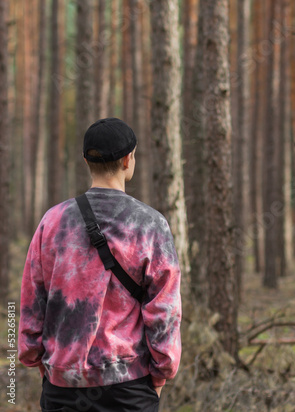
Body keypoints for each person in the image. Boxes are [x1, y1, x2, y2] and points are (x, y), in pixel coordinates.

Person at [18, 117, 182, 412]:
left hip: (63, 384)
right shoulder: (150, 224)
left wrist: (37, 360)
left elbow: (32, 301)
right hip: (128, 386)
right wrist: (161, 374)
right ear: (128, 160)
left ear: (85, 160)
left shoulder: (52, 222)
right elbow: (164, 311)